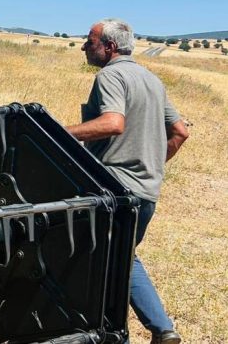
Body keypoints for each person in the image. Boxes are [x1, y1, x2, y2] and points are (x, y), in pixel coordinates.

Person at [66, 18, 189, 344]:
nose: (83, 47)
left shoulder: (111, 75)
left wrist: (61, 135)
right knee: (122, 258)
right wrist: (151, 166)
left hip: (114, 192)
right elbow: (180, 132)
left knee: (81, 256)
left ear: (109, 46)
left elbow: (112, 123)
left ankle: (103, 332)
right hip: (146, 193)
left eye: (89, 41)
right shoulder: (152, 80)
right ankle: (163, 330)